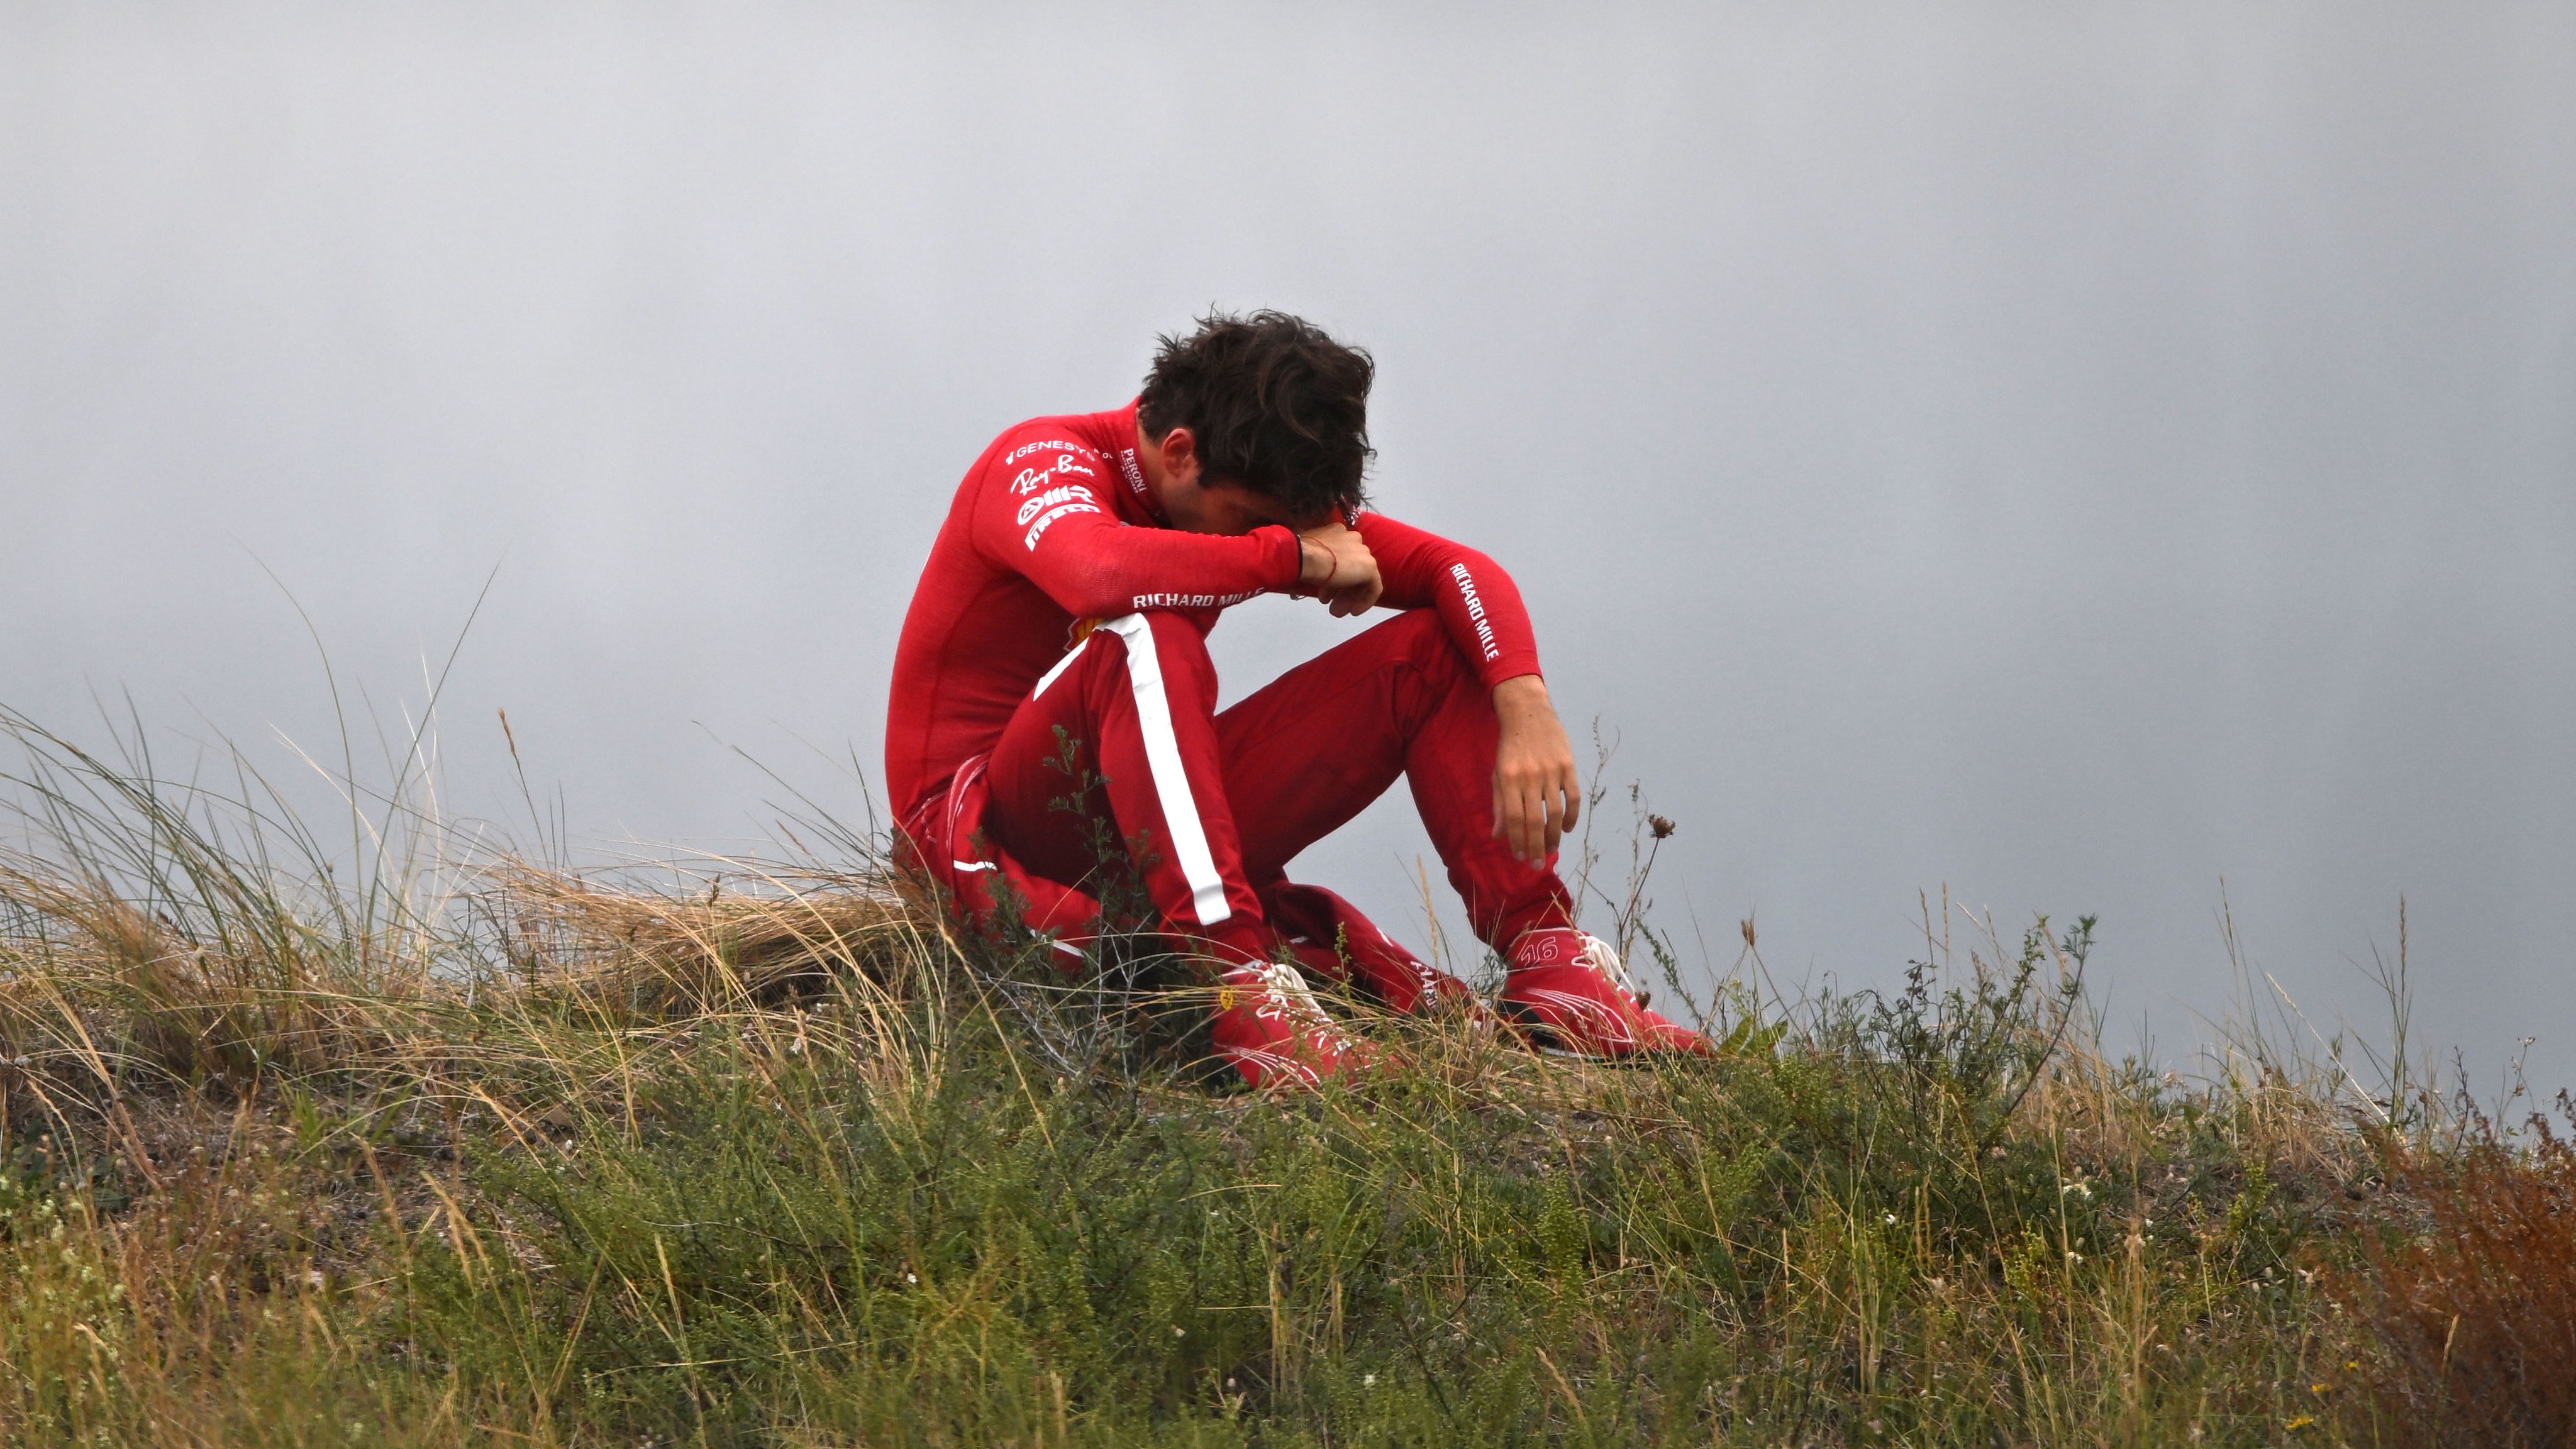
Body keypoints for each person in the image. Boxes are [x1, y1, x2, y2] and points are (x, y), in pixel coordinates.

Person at [886, 311, 1707, 1086]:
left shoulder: (1237, 494)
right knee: (1150, 631)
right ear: (1180, 454)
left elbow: (1454, 569)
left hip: (1131, 822)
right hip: (995, 828)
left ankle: (1551, 963)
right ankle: (1238, 988)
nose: (1264, 539)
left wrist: (1524, 702)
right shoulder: (1040, 458)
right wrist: (1290, 557)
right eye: (1247, 520)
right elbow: (1099, 572)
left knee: (1428, 650)